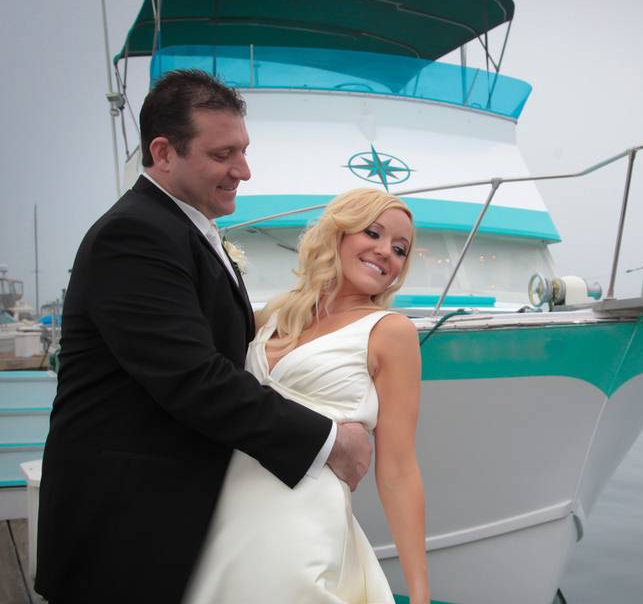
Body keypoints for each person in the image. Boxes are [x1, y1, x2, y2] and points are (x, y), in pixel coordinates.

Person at [35, 70, 372, 603]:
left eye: (243, 150)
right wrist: (329, 441)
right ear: (164, 153)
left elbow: (221, 340)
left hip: (171, 521)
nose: (243, 169)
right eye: (222, 155)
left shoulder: (183, 227)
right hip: (124, 533)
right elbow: (194, 378)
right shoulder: (134, 235)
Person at [184, 188, 428, 604]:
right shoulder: (272, 315)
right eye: (373, 233)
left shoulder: (391, 332)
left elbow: (399, 469)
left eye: (400, 249)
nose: (386, 252)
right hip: (225, 517)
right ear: (338, 233)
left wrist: (420, 593)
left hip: (306, 526)